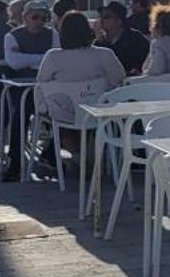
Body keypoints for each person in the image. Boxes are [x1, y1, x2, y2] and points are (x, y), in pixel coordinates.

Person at [34, 11, 126, 172]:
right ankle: (85, 157)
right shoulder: (105, 54)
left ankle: (78, 156)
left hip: (67, 113)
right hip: (99, 111)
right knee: (81, 111)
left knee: (59, 113)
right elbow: (119, 79)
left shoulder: (53, 57)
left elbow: (42, 82)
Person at [0, 4, 57, 180]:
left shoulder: (53, 35)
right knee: (20, 114)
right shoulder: (12, 36)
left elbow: (55, 59)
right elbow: (14, 62)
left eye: (44, 18)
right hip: (22, 85)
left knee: (65, 112)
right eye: (35, 17)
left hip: (48, 85)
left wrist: (29, 59)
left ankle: (51, 153)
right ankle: (15, 160)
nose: (40, 22)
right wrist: (42, 58)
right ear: (24, 17)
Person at [96, 1, 149, 74]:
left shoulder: (135, 39)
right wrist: (100, 41)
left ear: (119, 20)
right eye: (100, 17)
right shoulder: (100, 40)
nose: (101, 20)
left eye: (106, 17)